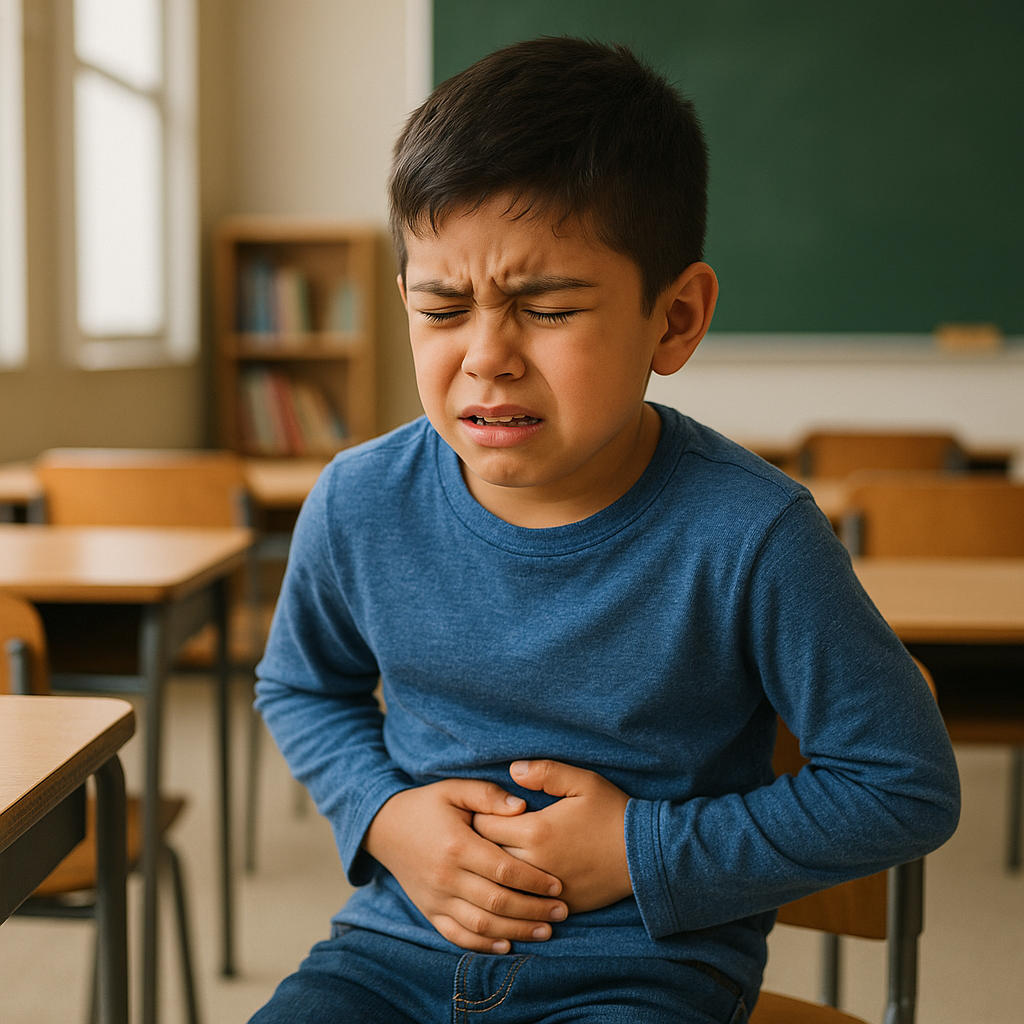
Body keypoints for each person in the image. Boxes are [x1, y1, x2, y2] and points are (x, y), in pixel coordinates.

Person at [250, 36, 959, 1024]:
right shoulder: (358, 499)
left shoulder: (755, 533)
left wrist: (640, 850)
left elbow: (902, 785)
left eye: (545, 309)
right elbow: (300, 686)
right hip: (394, 952)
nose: (485, 356)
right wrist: (387, 815)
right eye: (443, 308)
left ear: (675, 319)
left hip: (643, 973)